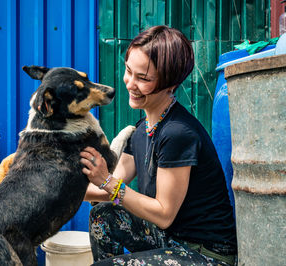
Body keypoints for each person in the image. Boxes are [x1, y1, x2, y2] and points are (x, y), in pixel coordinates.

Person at [80, 25, 237, 266]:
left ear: (170, 84)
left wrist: (107, 181)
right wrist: (53, 191)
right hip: (169, 240)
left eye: (143, 78)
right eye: (128, 71)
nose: (130, 83)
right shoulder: (142, 129)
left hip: (204, 253)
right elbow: (106, 193)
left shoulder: (177, 133)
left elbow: (163, 214)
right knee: (103, 214)